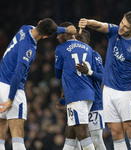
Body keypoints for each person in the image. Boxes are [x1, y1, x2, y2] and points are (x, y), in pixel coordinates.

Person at [0, 18, 76, 150]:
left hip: (0, 83)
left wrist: (65, 29)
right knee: (17, 133)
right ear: (45, 36)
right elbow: (17, 74)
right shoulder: (28, 49)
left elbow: (48, 28)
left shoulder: (25, 28)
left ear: (39, 22)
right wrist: (10, 99)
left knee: (1, 126)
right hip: (12, 88)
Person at [79, 11, 131, 150]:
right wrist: (88, 22)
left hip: (127, 92)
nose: (121, 27)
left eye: (126, 26)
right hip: (109, 91)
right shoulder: (115, 31)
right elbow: (100, 26)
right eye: (122, 22)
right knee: (116, 132)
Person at [55, 22, 95, 150]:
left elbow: (57, 74)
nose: (57, 37)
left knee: (82, 133)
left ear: (67, 34)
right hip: (87, 93)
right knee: (70, 132)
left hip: (76, 94)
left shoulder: (61, 48)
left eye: (59, 34)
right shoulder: (88, 48)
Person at [75, 29, 106, 150]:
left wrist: (89, 72)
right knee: (77, 139)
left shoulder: (94, 55)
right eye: (76, 39)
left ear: (88, 41)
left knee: (96, 138)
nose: (78, 42)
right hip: (78, 101)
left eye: (81, 39)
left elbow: (103, 77)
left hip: (95, 102)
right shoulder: (72, 55)